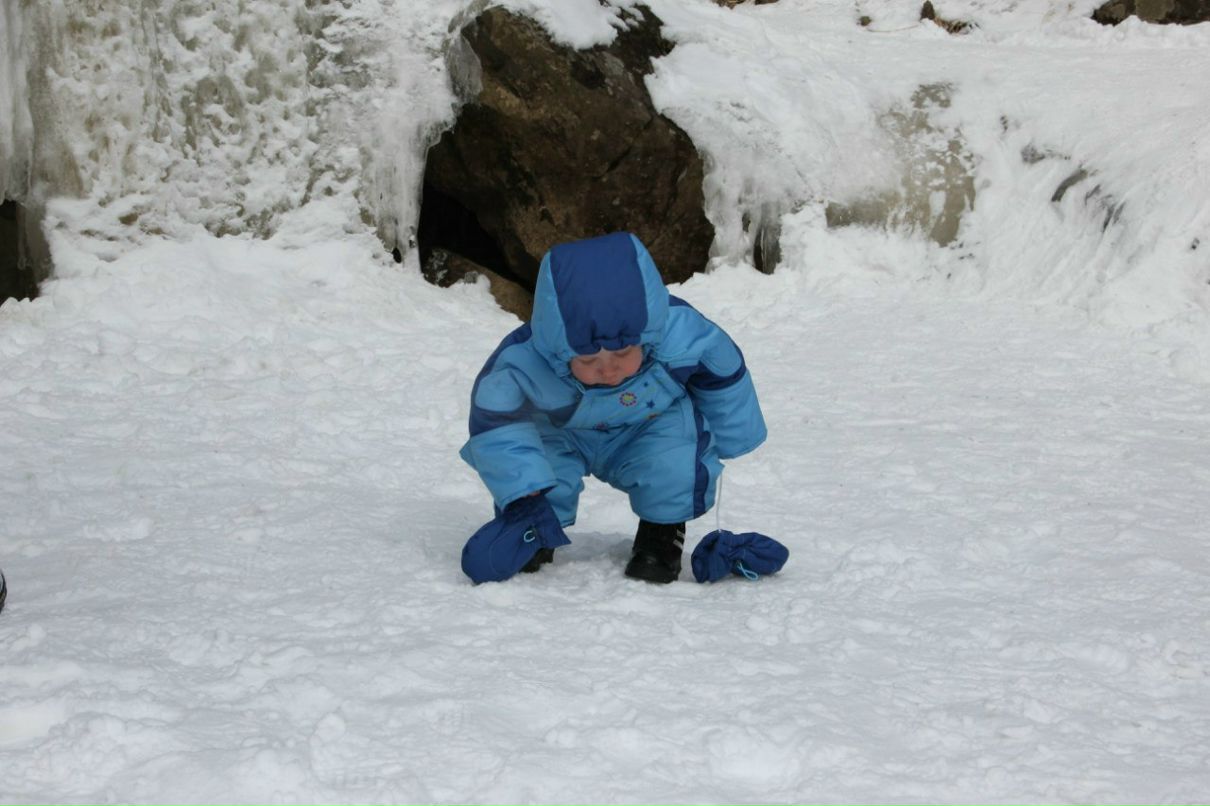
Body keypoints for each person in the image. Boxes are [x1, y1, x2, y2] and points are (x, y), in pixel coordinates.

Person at [460, 231, 766, 583]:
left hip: (648, 424)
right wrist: (523, 482)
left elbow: (723, 374)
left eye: (622, 353)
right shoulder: (525, 358)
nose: (608, 369)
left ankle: (661, 533)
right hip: (564, 431)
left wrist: (732, 435)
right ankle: (534, 529)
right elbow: (496, 421)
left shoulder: (681, 332)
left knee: (675, 460)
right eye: (588, 359)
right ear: (558, 344)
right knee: (541, 470)